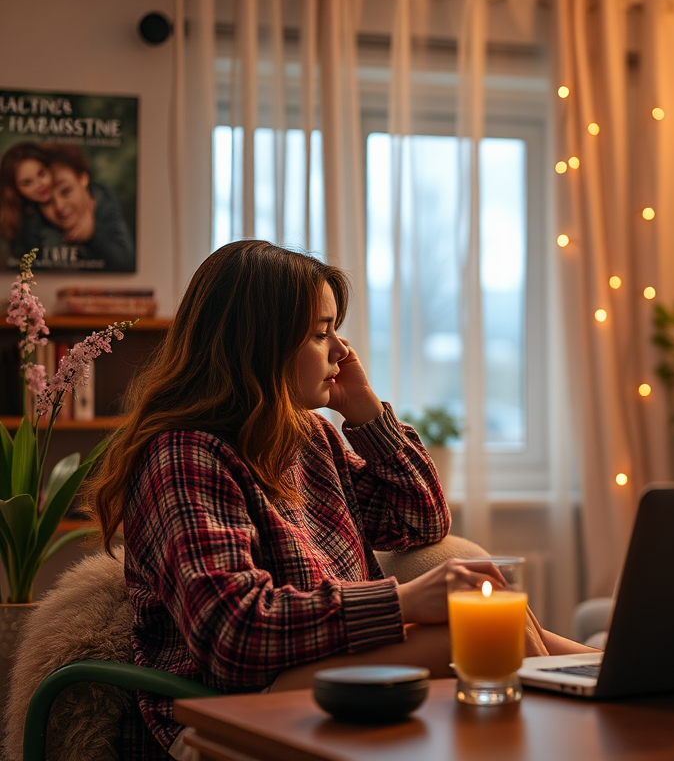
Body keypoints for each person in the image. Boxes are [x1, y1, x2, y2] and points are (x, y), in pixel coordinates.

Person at [86, 240, 592, 759]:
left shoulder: (307, 439)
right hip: (223, 705)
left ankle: (611, 671)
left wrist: (368, 416)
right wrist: (404, 601)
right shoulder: (184, 456)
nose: (341, 351)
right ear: (260, 343)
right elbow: (232, 632)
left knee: (513, 621)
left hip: (328, 664)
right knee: (468, 638)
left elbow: (419, 520)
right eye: (321, 333)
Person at [39, 144, 135, 271]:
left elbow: (125, 263)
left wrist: (92, 235)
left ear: (83, 179)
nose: (59, 206)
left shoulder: (105, 205)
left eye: (66, 191)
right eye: (46, 201)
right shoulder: (34, 222)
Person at [0, 141, 61, 261]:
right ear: (14, 189)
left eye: (41, 174)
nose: (39, 185)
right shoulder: (23, 226)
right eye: (27, 183)